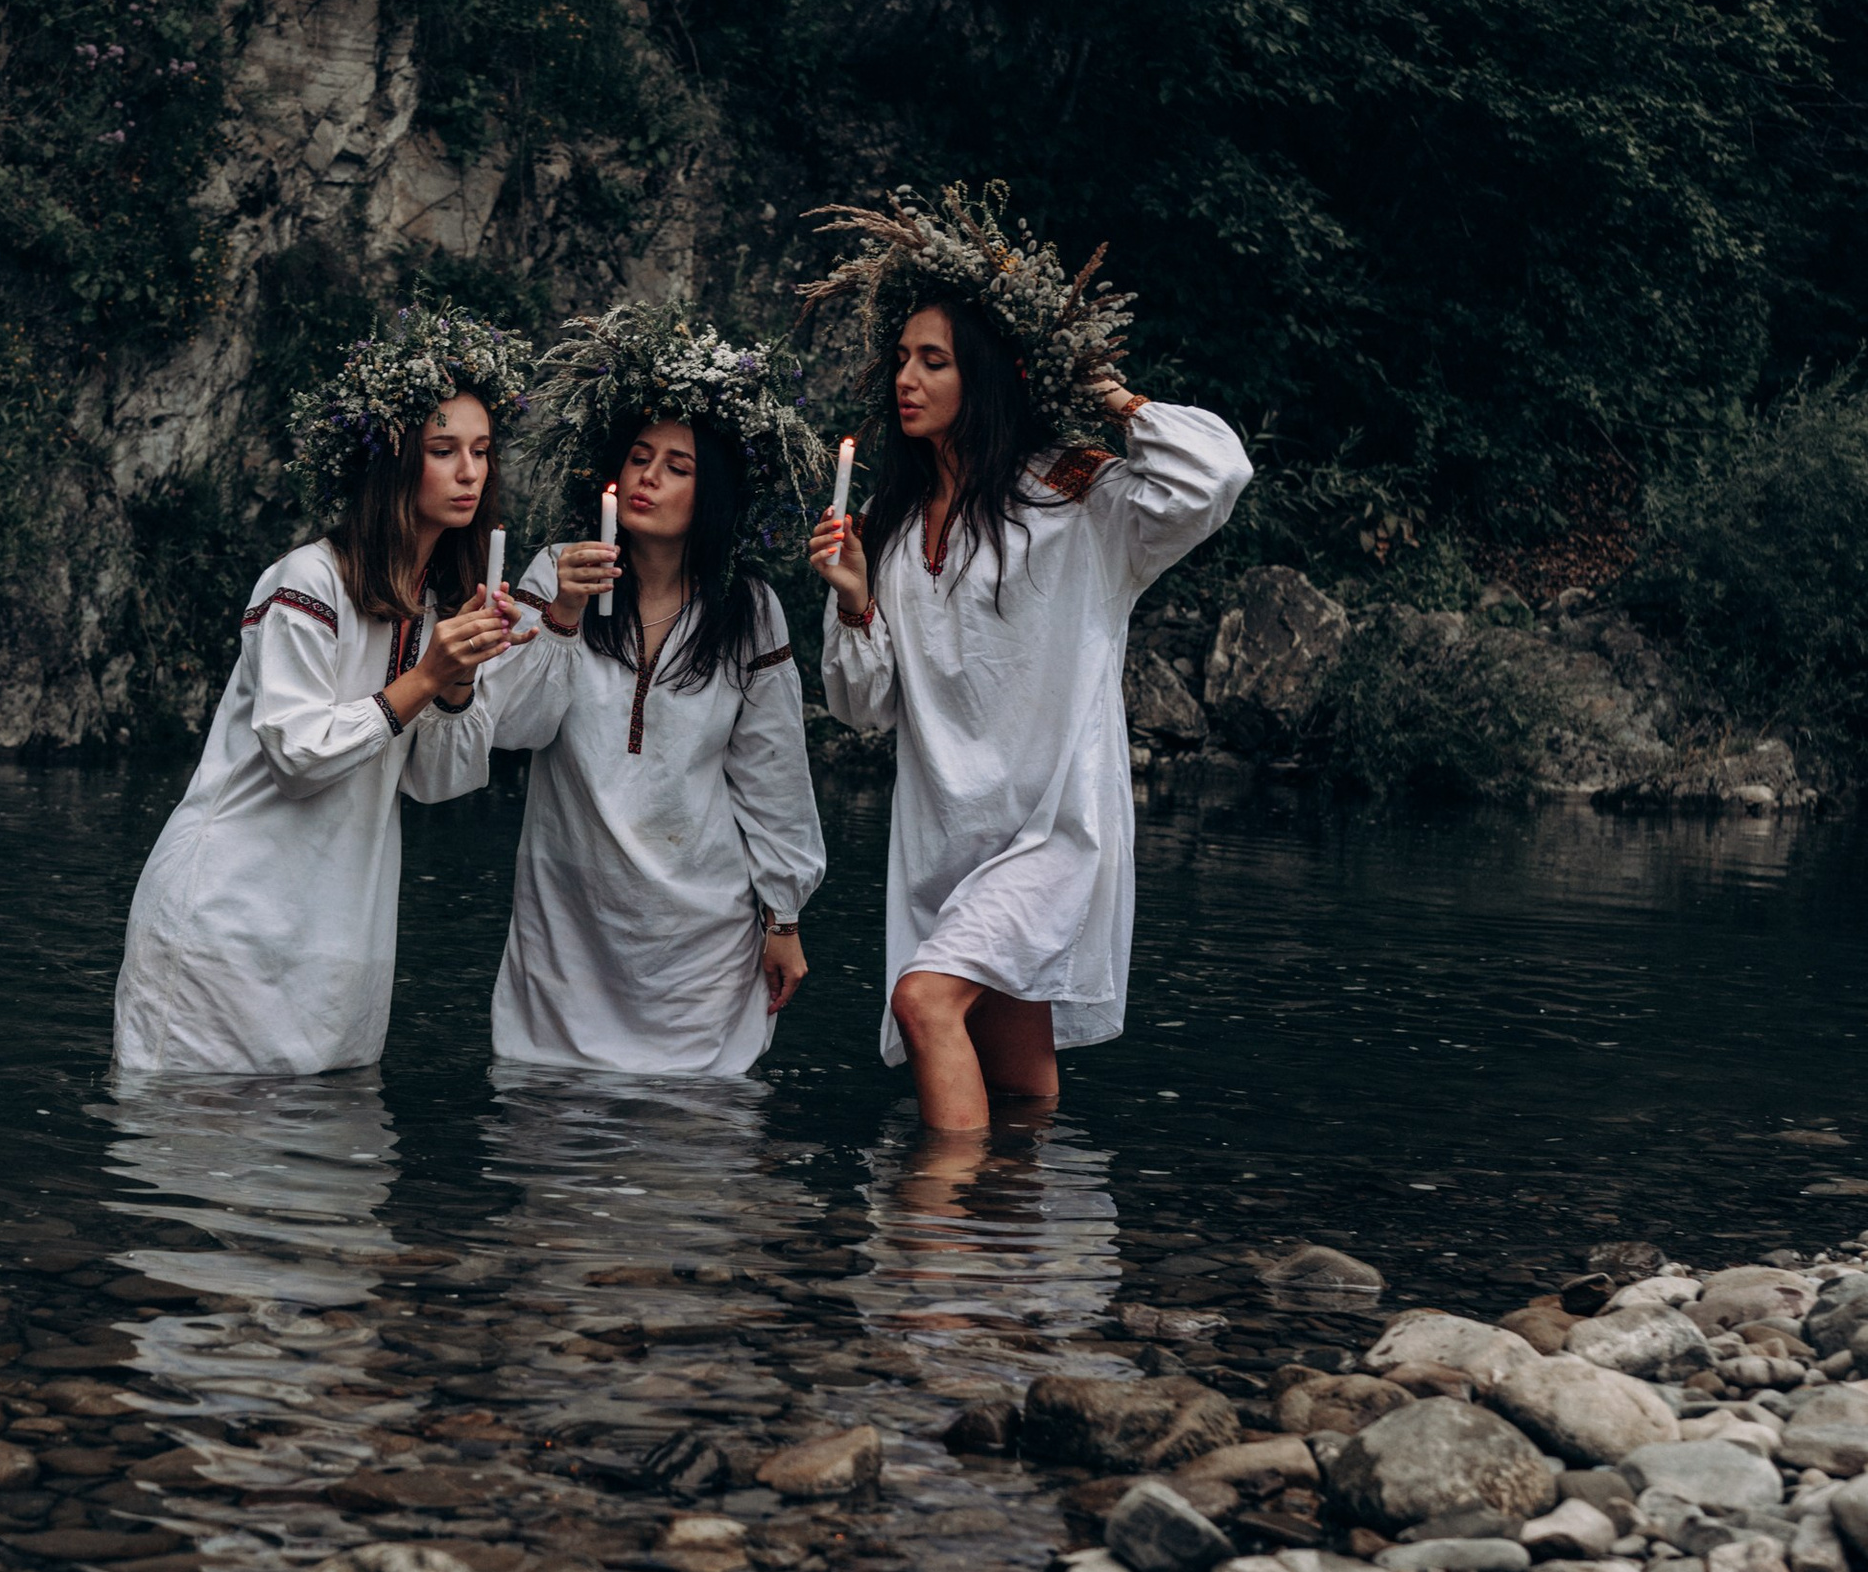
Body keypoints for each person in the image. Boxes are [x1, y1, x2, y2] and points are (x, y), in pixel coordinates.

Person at [804, 185, 1248, 1127]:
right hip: (944, 844)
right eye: (901, 359)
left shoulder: (1076, 498)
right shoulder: (884, 530)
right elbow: (862, 708)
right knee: (1023, 1092)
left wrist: (1110, 392)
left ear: (989, 373)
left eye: (935, 360)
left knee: (925, 1003)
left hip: (1051, 831)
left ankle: (940, 1241)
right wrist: (850, 603)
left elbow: (1216, 477)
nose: (906, 379)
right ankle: (1035, 1258)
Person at [112, 307, 531, 1077]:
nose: (470, 472)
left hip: (338, 940)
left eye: (481, 451)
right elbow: (297, 755)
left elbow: (439, 782)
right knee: (197, 1179)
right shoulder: (308, 581)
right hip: (230, 926)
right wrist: (427, 677)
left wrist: (460, 683)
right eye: (443, 451)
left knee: (331, 1180)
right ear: (392, 464)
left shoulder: (442, 609)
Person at [480, 305, 827, 1076]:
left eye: (678, 466)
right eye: (639, 458)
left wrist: (785, 917)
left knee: (691, 1169)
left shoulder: (748, 609)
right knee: (556, 1168)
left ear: (713, 494)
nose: (649, 477)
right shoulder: (555, 571)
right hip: (569, 931)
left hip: (698, 945)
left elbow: (772, 776)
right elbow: (514, 728)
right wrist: (565, 614)